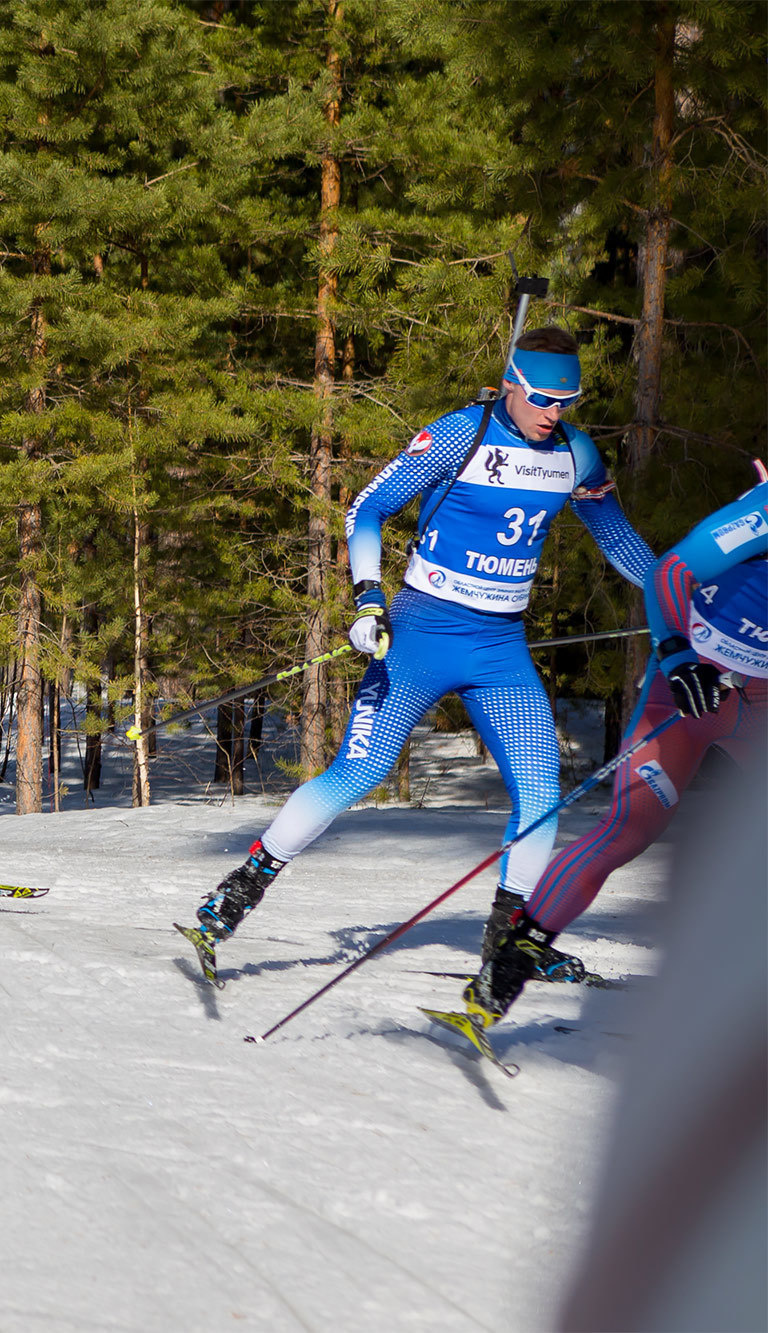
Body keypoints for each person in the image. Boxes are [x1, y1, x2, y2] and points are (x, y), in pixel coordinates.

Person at [181, 327, 655, 980]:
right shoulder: (460, 434)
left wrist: (678, 589)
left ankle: (508, 942)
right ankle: (237, 891)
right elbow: (368, 509)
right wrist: (368, 600)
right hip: (420, 636)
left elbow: (618, 537)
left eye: (567, 401)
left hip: (499, 651)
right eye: (544, 396)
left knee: (542, 791)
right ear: (512, 383)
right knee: (358, 772)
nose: (555, 412)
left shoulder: (575, 452)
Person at [461, 464, 768, 1032]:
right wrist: (677, 656)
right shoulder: (764, 513)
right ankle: (500, 979)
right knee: (630, 829)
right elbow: (671, 573)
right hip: (691, 689)